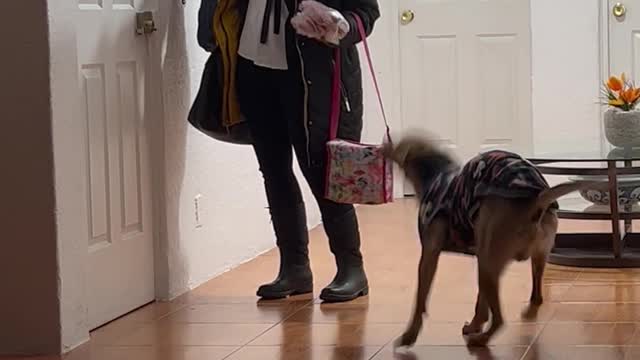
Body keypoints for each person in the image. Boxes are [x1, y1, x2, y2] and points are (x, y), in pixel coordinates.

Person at [204, 0, 380, 302]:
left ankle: (351, 268)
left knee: (321, 169)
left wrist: (337, 24)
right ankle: (294, 268)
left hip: (312, 73)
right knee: (274, 172)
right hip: (253, 68)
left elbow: (366, 12)